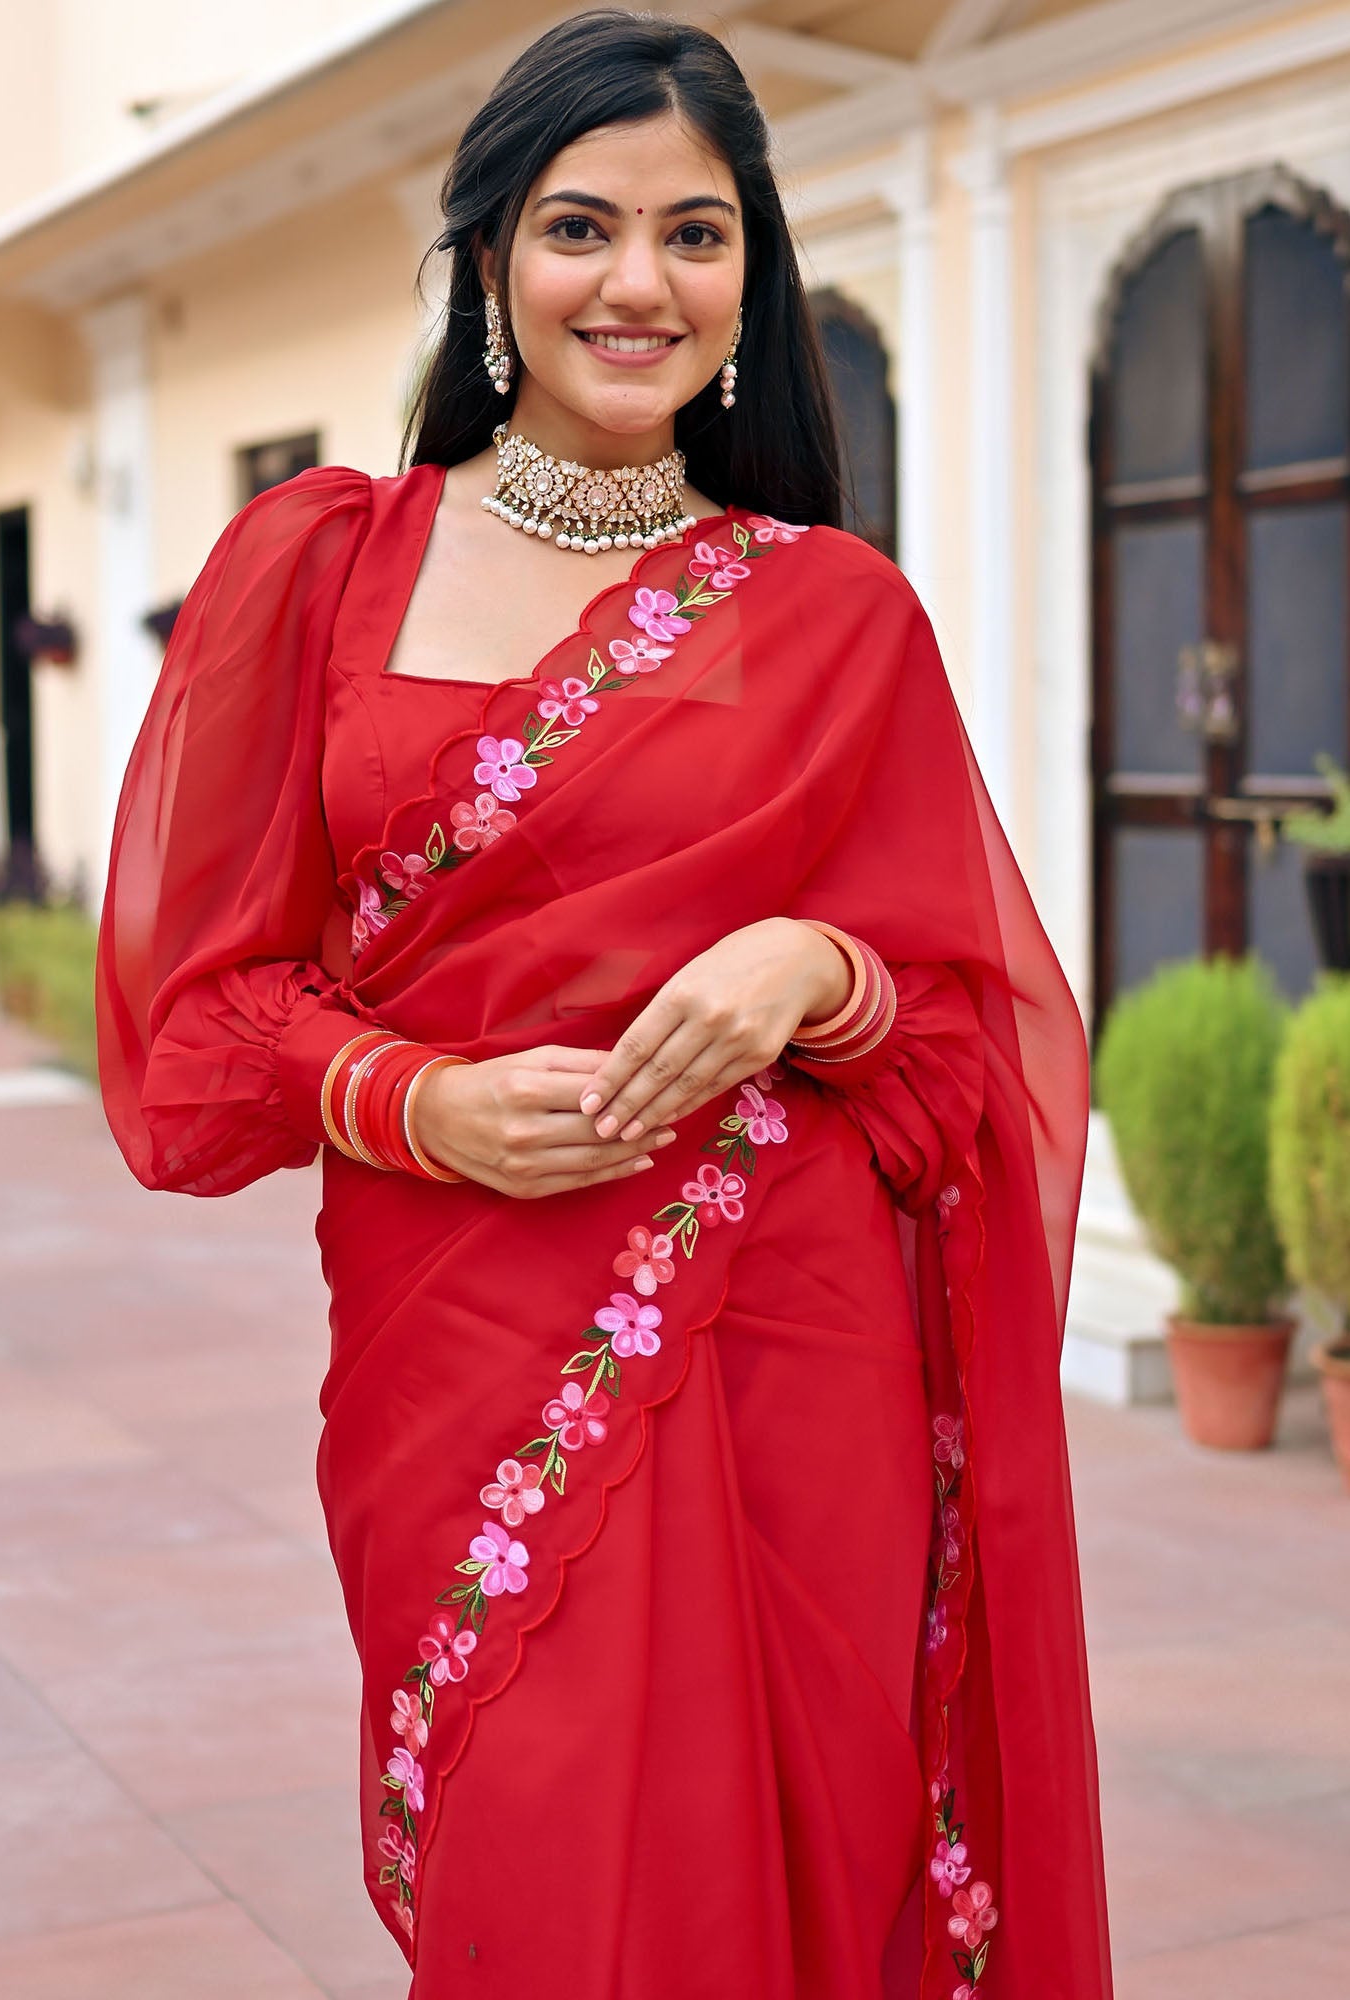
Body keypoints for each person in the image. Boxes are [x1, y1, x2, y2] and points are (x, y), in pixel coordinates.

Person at [95, 11, 1113, 1996]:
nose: (640, 283)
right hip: (458, 1339)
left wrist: (808, 968)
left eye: (697, 234)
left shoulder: (834, 613)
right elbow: (194, 1023)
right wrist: (417, 1100)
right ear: (487, 262)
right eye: (582, 226)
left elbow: (957, 1038)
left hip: (786, 1344)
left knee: (797, 1861)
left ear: (752, 275)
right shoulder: (322, 572)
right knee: (544, 1871)